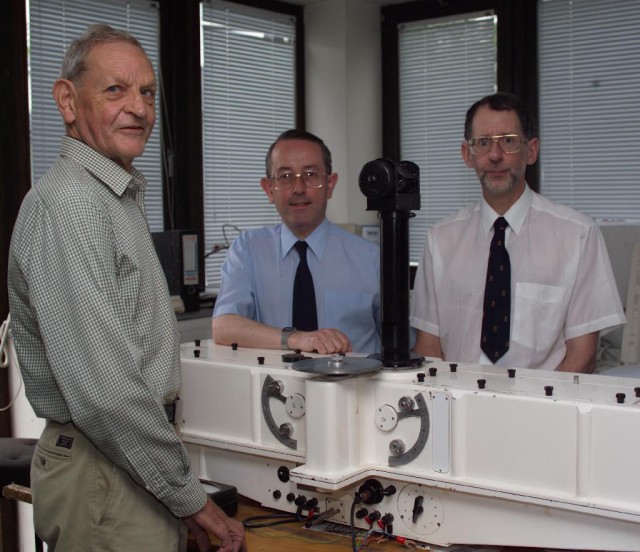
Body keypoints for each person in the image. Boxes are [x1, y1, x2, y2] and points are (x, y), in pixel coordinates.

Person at [7, 24, 246, 552]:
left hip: (125, 461)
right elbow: (107, 394)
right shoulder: (71, 205)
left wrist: (171, 493)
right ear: (67, 100)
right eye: (115, 90)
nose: (138, 108)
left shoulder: (114, 195)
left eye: (147, 92)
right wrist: (194, 502)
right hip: (102, 468)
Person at [410, 92, 625, 373]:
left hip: (543, 408)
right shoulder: (440, 239)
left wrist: (535, 414)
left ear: (531, 150)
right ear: (467, 155)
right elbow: (429, 348)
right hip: (458, 408)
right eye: (483, 143)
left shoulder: (578, 235)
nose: (495, 155)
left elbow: (582, 356)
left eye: (508, 141)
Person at [212, 129, 381, 355]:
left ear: (330, 185)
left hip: (356, 386)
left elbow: (403, 342)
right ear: (268, 189)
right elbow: (224, 327)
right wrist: (296, 338)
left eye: (310, 175)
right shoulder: (248, 250)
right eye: (285, 177)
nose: (299, 189)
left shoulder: (371, 257)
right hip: (277, 386)